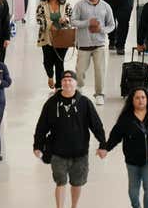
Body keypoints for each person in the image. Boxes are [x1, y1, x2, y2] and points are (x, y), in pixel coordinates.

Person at [33, 70, 107, 208]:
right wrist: (37, 145)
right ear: (61, 83)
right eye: (64, 80)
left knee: (77, 182)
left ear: (76, 83)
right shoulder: (51, 103)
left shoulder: (85, 103)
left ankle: (74, 206)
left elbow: (96, 125)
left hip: (80, 153)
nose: (67, 82)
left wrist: (103, 144)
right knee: (60, 182)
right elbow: (42, 125)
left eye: (70, 80)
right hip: (58, 152)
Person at [101, 87, 148, 208]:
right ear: (132, 100)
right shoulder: (126, 118)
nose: (140, 100)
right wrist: (105, 148)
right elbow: (115, 135)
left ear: (147, 99)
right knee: (133, 191)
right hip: (132, 161)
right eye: (137, 98)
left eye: (143, 97)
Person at [73, 0, 115, 105]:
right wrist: (87, 22)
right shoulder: (80, 5)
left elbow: (112, 25)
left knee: (99, 71)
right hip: (84, 45)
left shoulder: (106, 7)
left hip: (99, 45)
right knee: (80, 71)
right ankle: (79, 88)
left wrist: (102, 29)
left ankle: (99, 94)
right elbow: (73, 21)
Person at [36, 0, 73, 90]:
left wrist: (65, 20)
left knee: (59, 62)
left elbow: (71, 17)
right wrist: (51, 24)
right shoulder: (42, 5)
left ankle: (58, 87)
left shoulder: (65, 4)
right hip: (47, 38)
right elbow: (39, 19)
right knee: (47, 61)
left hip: (62, 38)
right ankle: (50, 76)